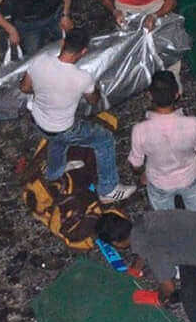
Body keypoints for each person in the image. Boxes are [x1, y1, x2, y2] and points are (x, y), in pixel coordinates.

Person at [23, 28, 132, 199]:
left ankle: (53, 172)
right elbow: (93, 101)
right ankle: (108, 189)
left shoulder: (39, 61)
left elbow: (24, 87)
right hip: (63, 128)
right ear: (83, 52)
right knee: (104, 140)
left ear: (63, 43)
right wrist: (94, 87)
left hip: (38, 120)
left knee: (57, 140)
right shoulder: (82, 78)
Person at [130, 71, 196, 212]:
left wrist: (143, 174)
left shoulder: (139, 130)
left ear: (149, 95)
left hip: (159, 184)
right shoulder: (192, 123)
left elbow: (135, 165)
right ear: (176, 95)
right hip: (190, 178)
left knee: (166, 219)